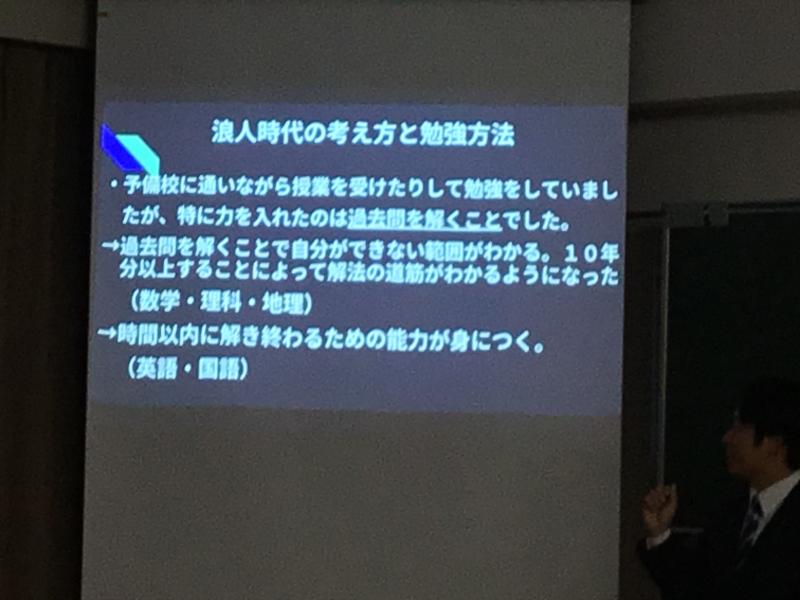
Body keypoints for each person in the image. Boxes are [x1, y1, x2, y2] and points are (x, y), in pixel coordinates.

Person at [638, 377, 800, 600]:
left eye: (739, 426)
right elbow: (692, 587)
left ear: (774, 442)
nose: (727, 438)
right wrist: (659, 533)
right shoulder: (729, 513)